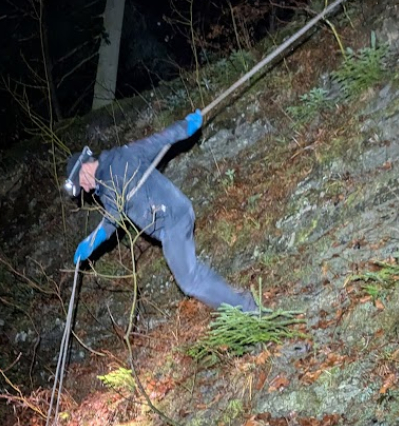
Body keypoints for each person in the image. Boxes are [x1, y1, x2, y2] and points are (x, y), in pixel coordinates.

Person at [64, 110, 257, 312]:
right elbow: (112, 219)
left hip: (172, 218)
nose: (85, 188)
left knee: (191, 280)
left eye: (81, 183)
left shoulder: (120, 161)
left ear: (84, 168)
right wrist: (91, 242)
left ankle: (247, 308)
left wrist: (186, 127)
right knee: (192, 275)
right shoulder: (110, 180)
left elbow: (159, 141)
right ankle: (239, 302)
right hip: (172, 221)